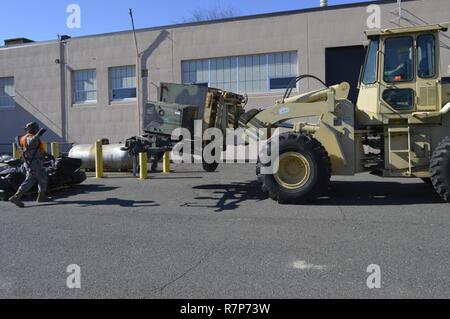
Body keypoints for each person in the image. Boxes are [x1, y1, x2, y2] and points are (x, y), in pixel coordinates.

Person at [9, 122, 51, 208]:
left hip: (31, 162)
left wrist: (46, 154)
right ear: (32, 129)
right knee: (40, 178)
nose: (37, 129)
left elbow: (34, 148)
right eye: (36, 128)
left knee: (32, 179)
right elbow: (31, 143)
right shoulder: (29, 137)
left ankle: (41, 196)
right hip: (35, 163)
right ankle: (16, 197)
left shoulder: (25, 137)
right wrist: (38, 135)